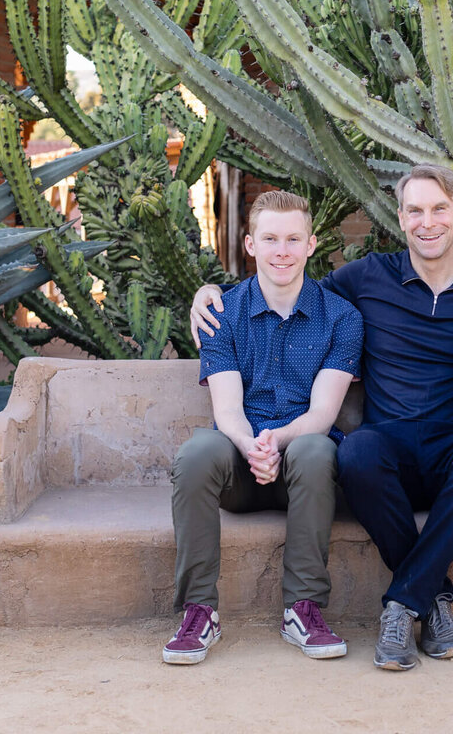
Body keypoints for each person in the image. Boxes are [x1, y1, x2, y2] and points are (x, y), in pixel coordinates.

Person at [192, 165, 453, 670]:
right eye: (414, 210)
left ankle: (406, 601)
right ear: (401, 218)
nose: (427, 222)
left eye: (438, 210)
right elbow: (285, 282)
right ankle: (430, 599)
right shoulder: (364, 280)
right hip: (388, 454)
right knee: (358, 450)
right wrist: (209, 293)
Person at [164, 190, 363, 665]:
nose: (283, 251)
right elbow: (228, 409)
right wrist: (252, 444)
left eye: (294, 239)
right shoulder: (221, 313)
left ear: (312, 244)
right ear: (250, 244)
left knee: (316, 448)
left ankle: (304, 608)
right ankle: (199, 612)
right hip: (240, 465)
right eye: (270, 238)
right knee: (196, 453)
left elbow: (323, 413)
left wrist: (278, 440)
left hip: (305, 472)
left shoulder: (343, 318)